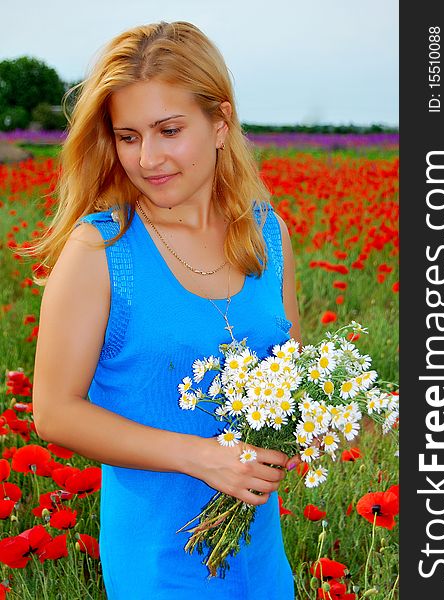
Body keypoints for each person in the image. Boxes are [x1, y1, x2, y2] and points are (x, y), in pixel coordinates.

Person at [30, 21, 302, 599]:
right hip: (158, 561)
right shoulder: (99, 251)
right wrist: (201, 456)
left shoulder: (266, 236)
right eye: (128, 137)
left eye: (168, 130)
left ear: (220, 123)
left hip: (261, 554)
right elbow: (53, 411)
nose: (147, 157)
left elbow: (294, 376)